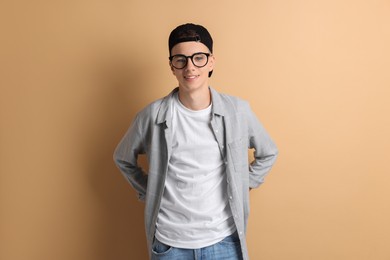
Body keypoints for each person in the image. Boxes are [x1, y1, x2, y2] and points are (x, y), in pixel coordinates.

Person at [114, 23, 278, 260]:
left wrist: (243, 183)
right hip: (170, 245)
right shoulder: (152, 116)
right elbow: (122, 158)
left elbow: (268, 152)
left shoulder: (238, 112)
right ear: (172, 65)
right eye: (181, 59)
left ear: (211, 62)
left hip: (224, 241)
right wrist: (150, 191)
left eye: (198, 58)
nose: (190, 67)